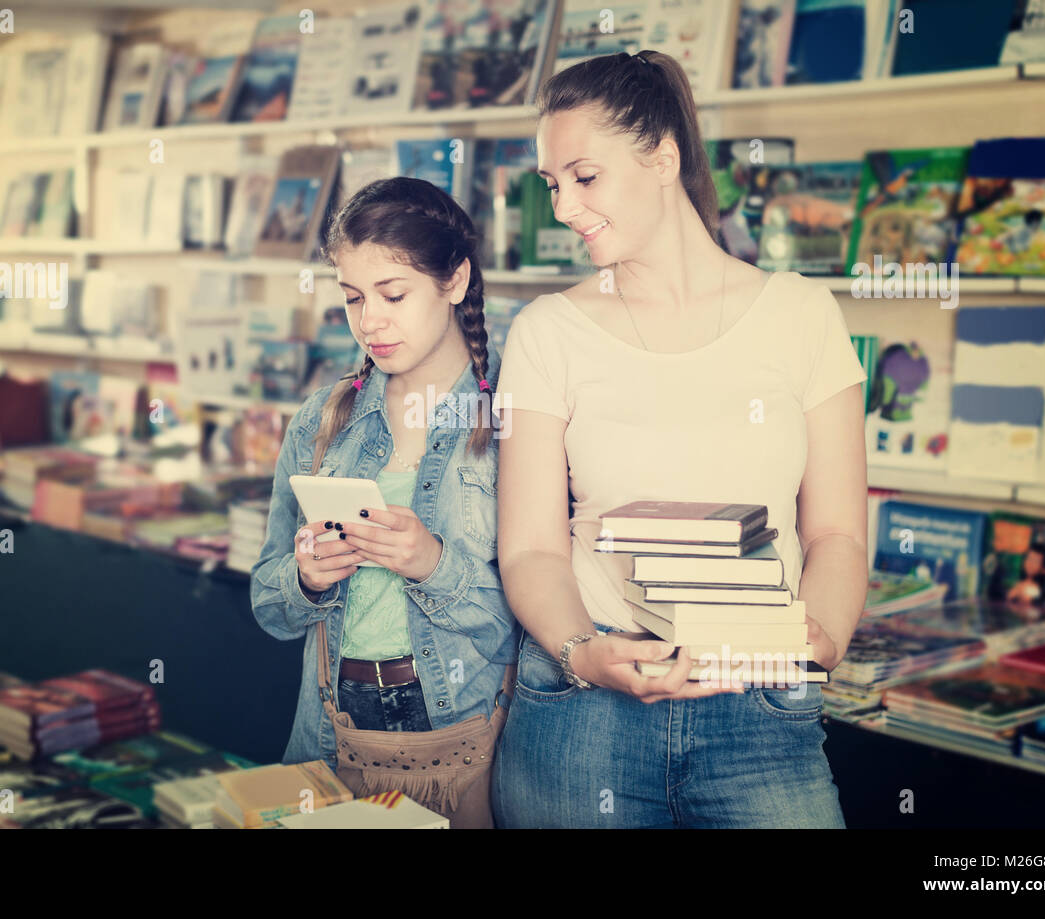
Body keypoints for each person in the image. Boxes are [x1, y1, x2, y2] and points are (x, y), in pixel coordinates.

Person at [492, 50, 869, 828]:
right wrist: (580, 652)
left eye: (584, 177)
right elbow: (529, 546)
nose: (564, 207)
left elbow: (835, 531)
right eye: (552, 184)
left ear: (662, 156)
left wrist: (820, 637)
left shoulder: (801, 315)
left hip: (758, 705)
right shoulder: (547, 332)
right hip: (584, 708)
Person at [249, 177, 517, 822]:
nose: (371, 321)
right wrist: (306, 579)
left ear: (455, 280)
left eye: (394, 294)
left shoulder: (514, 417)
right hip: (333, 725)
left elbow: (539, 629)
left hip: (466, 728)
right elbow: (268, 603)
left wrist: (432, 563)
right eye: (353, 298)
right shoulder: (323, 418)